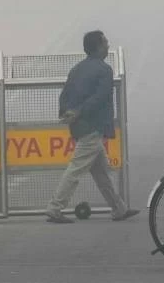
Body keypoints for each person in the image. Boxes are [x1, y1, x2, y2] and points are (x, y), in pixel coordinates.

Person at [45, 30, 139, 224]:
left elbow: (64, 95)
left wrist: (67, 113)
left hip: (79, 126)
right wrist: (80, 111)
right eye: (105, 43)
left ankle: (119, 209)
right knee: (75, 169)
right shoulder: (104, 70)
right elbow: (100, 97)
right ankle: (55, 208)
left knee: (101, 172)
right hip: (92, 126)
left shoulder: (77, 69)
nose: (107, 46)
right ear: (97, 47)